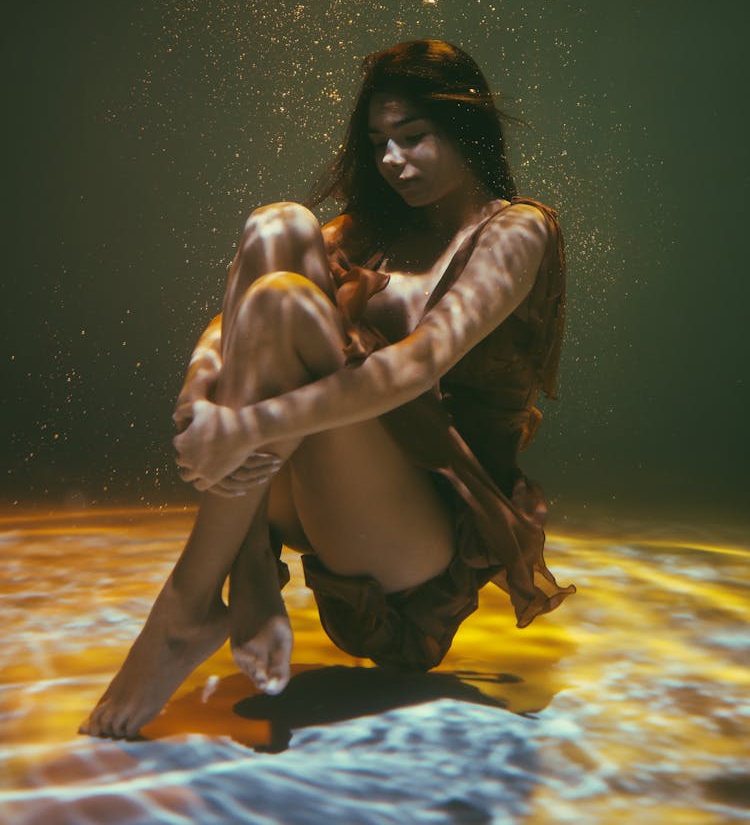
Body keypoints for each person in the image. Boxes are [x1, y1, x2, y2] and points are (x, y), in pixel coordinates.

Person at [80, 39, 574, 740]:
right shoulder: (374, 227)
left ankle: (186, 605)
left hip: (414, 555)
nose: (392, 161)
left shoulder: (515, 231)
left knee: (285, 304)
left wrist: (244, 428)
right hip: (319, 506)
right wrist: (198, 390)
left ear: (465, 130)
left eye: (413, 138)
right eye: (378, 143)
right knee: (276, 226)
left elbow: (415, 366)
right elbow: (230, 320)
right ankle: (251, 573)